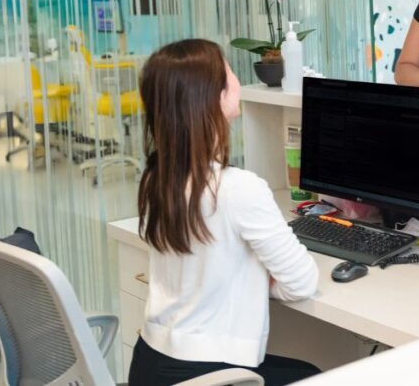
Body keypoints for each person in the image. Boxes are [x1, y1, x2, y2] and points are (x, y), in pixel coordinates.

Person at [128, 39, 320, 386]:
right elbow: (302, 283)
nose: (236, 78)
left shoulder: (158, 178)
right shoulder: (238, 189)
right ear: (213, 96)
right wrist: (262, 275)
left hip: (150, 364)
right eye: (229, 70)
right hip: (207, 375)